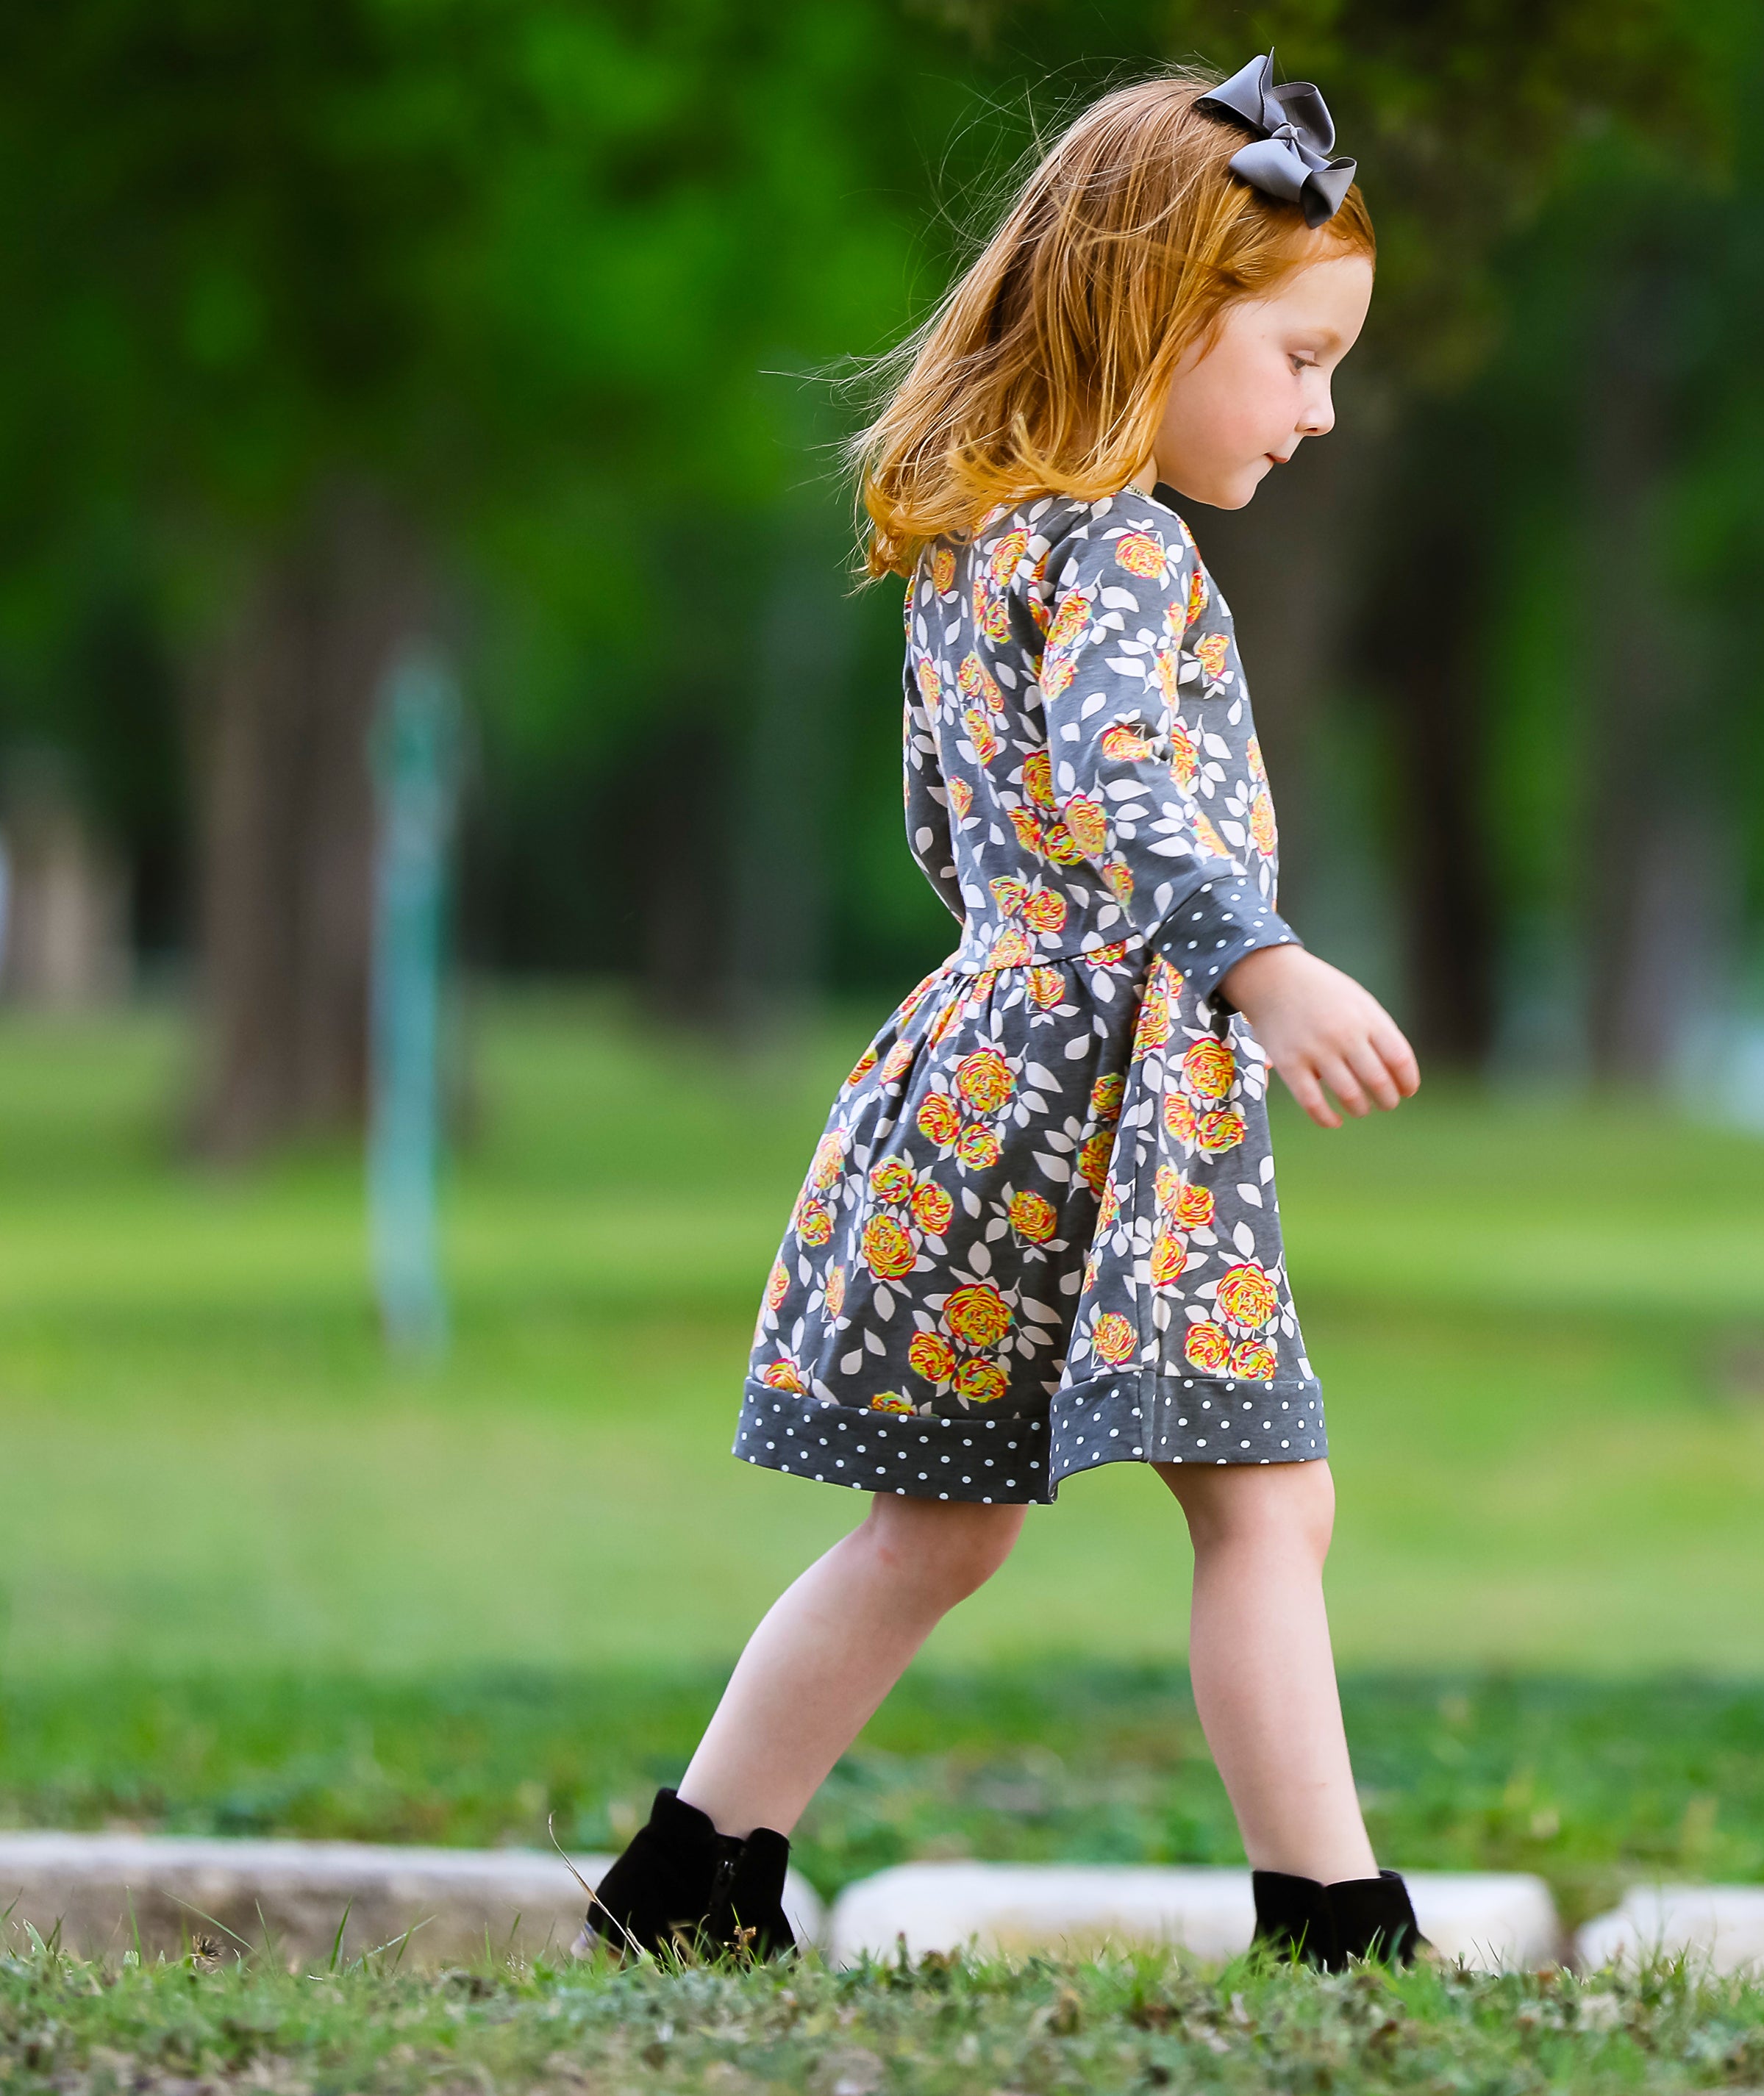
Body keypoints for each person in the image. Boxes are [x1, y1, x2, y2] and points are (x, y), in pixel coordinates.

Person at [580, 54, 1424, 1975]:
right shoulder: (1120, 547)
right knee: (1267, 1505)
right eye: (1294, 358)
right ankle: (1332, 1925)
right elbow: (1128, 790)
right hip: (1122, 1096)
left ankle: (691, 1870)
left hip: (989, 1067)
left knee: (941, 1529)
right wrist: (1252, 959)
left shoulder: (981, 532)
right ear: (1159, 311)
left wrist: (1034, 976)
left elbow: (950, 824)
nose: (1319, 410)